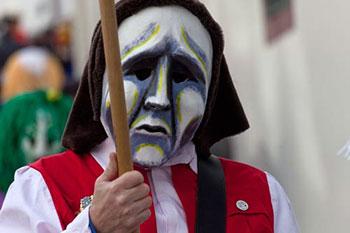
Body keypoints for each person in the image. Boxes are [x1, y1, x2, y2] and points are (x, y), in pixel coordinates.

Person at [0, 0, 299, 232]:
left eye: (183, 76)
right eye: (140, 71)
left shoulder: (262, 196)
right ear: (100, 80)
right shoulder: (42, 189)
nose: (159, 99)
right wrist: (93, 226)